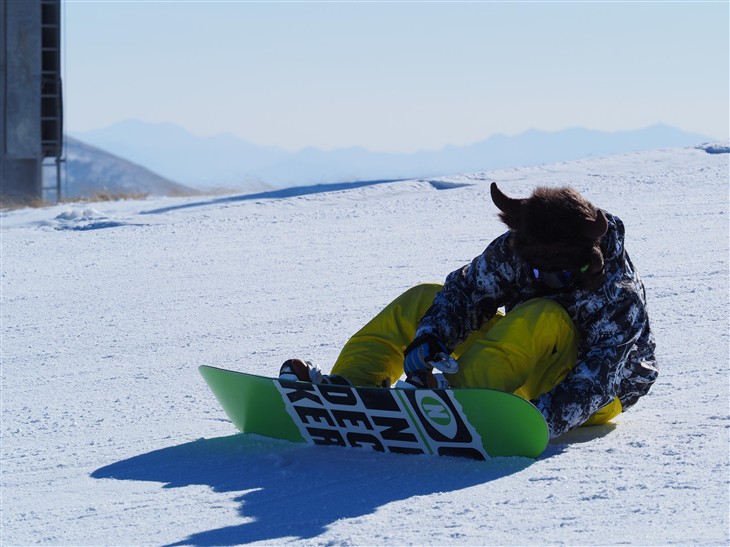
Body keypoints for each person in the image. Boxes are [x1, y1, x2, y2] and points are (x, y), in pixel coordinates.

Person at [279, 183, 658, 439]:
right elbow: (466, 291)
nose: (545, 279)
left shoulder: (617, 294)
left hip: (594, 394)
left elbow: (598, 379)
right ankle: (351, 389)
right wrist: (431, 336)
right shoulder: (516, 250)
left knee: (544, 313)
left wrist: (535, 423)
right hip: (528, 355)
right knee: (425, 297)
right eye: (538, 272)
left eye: (559, 277)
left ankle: (454, 404)